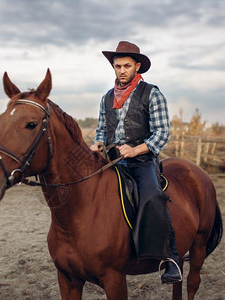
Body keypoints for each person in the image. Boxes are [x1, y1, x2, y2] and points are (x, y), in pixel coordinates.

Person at [90, 41, 182, 284]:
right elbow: (102, 129)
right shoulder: (107, 97)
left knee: (152, 195)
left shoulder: (152, 93)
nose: (121, 70)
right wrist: (97, 144)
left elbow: (162, 133)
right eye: (117, 66)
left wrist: (136, 149)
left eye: (127, 66)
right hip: (112, 160)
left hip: (141, 160)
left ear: (137, 66)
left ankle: (170, 258)